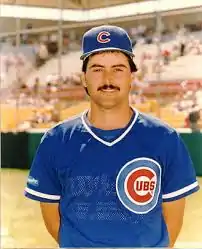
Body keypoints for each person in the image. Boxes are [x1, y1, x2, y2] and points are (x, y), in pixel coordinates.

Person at [24, 25, 199, 248]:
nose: (108, 78)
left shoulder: (165, 138)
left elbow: (173, 220)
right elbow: (51, 217)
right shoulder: (55, 140)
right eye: (97, 69)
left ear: (131, 77)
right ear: (84, 78)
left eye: (118, 69)